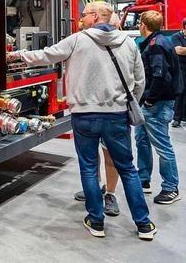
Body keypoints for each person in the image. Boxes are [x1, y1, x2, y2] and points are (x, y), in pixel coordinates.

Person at [8, 1, 155, 240]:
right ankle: (144, 224)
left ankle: (96, 222)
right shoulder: (129, 43)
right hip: (117, 117)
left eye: (84, 14)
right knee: (127, 168)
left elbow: (46, 55)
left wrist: (16, 54)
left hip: (85, 115)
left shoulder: (78, 40)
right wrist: (124, 105)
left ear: (96, 16)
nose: (81, 18)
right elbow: (140, 81)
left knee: (88, 167)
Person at [73, 11, 122, 217]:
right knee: (93, 156)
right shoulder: (83, 41)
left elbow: (137, 79)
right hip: (93, 111)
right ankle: (96, 188)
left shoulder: (123, 44)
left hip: (111, 111)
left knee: (109, 155)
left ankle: (110, 195)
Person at [136, 11, 183, 204]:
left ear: (143, 25)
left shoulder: (156, 46)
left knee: (162, 146)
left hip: (157, 103)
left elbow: (160, 76)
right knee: (142, 141)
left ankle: (171, 187)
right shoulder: (158, 42)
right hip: (150, 103)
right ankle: (143, 180)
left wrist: (149, 101)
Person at [170, 15, 186, 127]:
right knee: (181, 91)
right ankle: (177, 117)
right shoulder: (176, 36)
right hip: (181, 68)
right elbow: (178, 50)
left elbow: (183, 50)